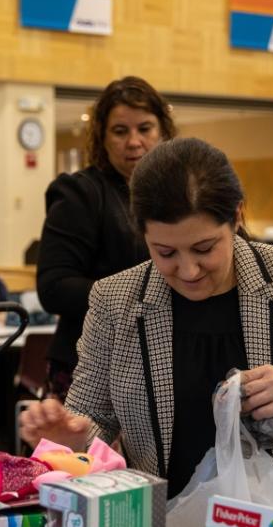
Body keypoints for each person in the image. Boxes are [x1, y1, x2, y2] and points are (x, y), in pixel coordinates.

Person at [21, 138, 273, 518]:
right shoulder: (115, 300)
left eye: (205, 248)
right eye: (165, 253)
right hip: (167, 524)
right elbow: (91, 417)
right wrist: (72, 441)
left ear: (237, 216)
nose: (189, 271)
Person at [37, 75, 176, 399]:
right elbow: (54, 288)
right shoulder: (79, 193)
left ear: (163, 131)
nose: (133, 141)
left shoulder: (180, 194)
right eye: (120, 131)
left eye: (145, 128)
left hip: (162, 360)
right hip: (90, 365)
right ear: (102, 137)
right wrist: (151, 295)